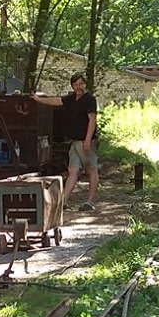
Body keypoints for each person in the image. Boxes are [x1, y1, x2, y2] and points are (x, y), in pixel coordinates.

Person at [35, 72, 99, 212]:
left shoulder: (89, 100)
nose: (78, 87)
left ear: (85, 84)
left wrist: (88, 140)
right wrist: (38, 99)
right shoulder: (71, 99)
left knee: (91, 170)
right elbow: (56, 101)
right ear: (72, 86)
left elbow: (92, 120)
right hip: (75, 142)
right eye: (75, 85)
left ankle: (90, 202)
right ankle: (63, 201)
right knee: (72, 170)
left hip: (86, 141)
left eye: (81, 84)